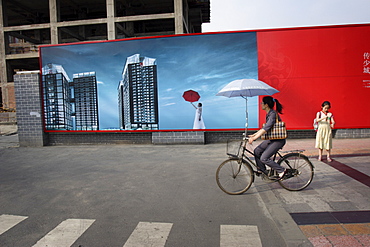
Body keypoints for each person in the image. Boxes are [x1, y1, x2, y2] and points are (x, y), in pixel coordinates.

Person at [248, 96, 286, 179]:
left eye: (262, 103)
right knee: (257, 151)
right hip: (272, 139)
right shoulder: (269, 114)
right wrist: (254, 135)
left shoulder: (272, 114)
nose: (260, 104)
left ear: (266, 105)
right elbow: (264, 128)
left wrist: (254, 138)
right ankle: (262, 170)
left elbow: (266, 128)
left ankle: (281, 170)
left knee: (264, 158)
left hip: (278, 141)